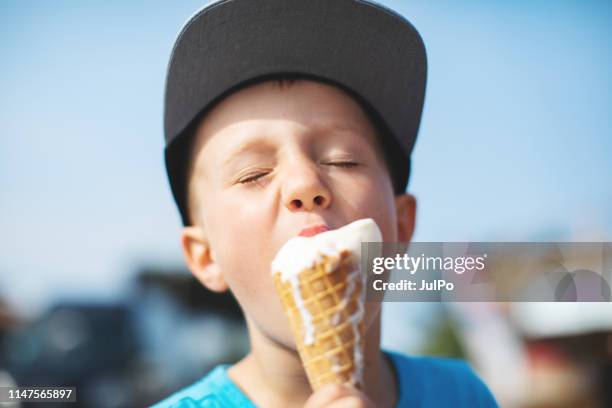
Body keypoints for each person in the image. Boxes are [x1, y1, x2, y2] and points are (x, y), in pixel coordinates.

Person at [153, 0, 498, 406]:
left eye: (342, 160)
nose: (304, 183)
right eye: (253, 174)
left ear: (401, 227)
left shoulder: (462, 394)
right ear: (205, 255)